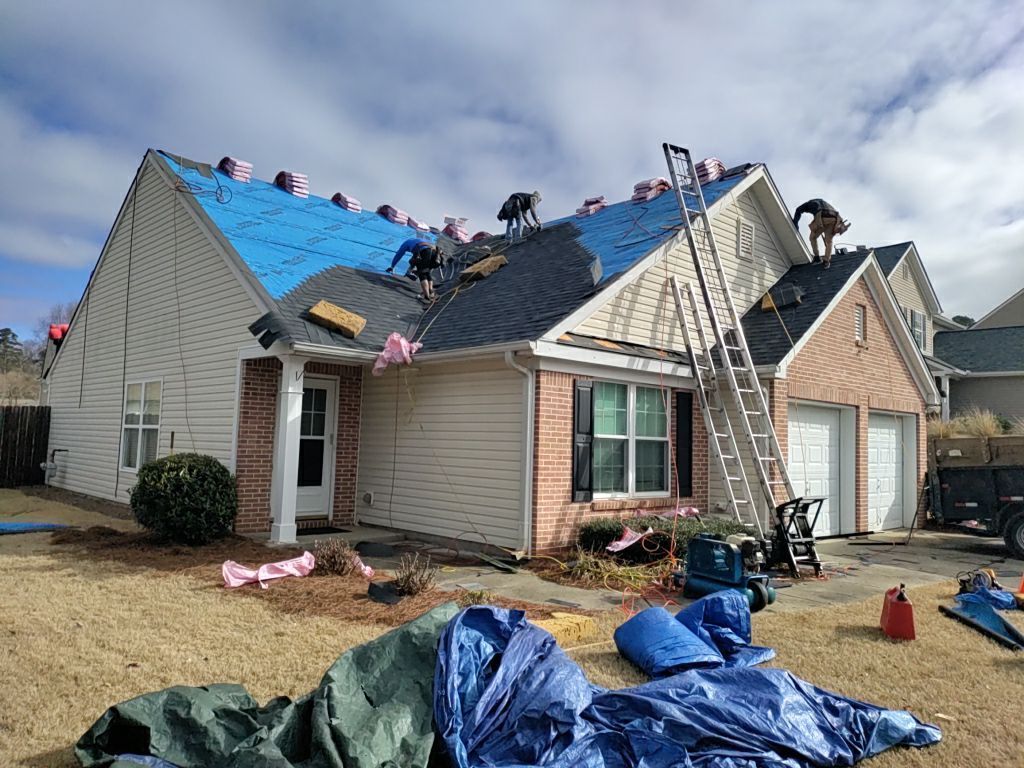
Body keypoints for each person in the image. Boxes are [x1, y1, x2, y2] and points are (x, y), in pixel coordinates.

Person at [792, 199, 850, 267]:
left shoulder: (809, 204)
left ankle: (817, 258)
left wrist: (795, 223)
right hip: (834, 220)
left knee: (812, 237)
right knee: (829, 241)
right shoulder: (823, 203)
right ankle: (826, 261)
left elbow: (798, 210)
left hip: (822, 218)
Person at [387, 238, 444, 302]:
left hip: (425, 252)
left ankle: (427, 296)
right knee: (427, 272)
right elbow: (414, 260)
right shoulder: (420, 241)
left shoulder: (406, 244)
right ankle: (431, 290)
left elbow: (398, 255)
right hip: (434, 254)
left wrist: (392, 266)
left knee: (422, 273)